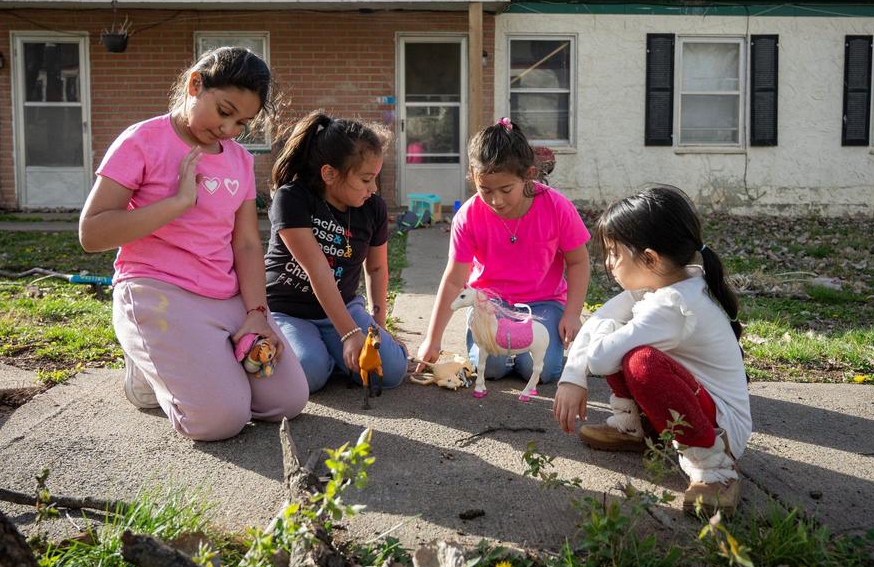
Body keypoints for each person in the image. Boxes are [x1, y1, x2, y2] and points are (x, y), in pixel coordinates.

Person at [78, 47, 308, 441]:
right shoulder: (141, 141)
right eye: (223, 111)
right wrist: (178, 203)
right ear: (194, 84)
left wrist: (256, 312)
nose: (229, 130)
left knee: (286, 402)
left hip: (226, 296)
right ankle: (149, 369)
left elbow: (248, 245)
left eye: (242, 122)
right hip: (159, 290)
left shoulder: (239, 160)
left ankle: (193, 363)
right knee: (219, 421)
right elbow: (92, 233)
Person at [554, 186, 750, 515]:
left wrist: (608, 331)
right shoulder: (668, 283)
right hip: (699, 402)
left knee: (640, 361)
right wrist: (572, 376)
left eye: (615, 252)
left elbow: (601, 358)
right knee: (624, 343)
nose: (608, 261)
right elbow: (599, 319)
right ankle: (636, 429)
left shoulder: (673, 305)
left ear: (650, 258)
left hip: (722, 430)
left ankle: (715, 468)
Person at [417, 118, 590, 386]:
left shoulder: (557, 208)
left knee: (540, 370)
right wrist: (433, 338)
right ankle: (499, 350)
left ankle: (523, 354)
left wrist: (571, 313)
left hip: (543, 303)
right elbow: (454, 280)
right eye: (485, 190)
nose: (496, 200)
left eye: (506, 189)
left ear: (528, 174)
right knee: (490, 369)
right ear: (473, 178)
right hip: (490, 303)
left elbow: (578, 261)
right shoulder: (469, 216)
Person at [266, 111, 408, 393]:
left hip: (343, 306)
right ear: (329, 174)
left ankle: (331, 349)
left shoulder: (373, 208)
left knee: (389, 373)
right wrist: (350, 333)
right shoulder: (292, 198)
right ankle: (325, 354)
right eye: (366, 179)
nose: (373, 188)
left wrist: (377, 328)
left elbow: (377, 268)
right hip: (289, 311)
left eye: (376, 179)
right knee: (309, 372)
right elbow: (317, 268)